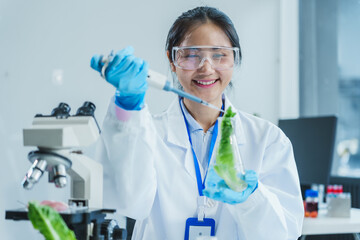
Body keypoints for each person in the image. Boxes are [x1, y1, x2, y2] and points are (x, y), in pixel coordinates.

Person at [91, 6, 304, 240]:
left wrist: (251, 198)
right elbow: (128, 203)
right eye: (191, 55)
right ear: (172, 61)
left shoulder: (268, 139)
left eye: (219, 54)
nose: (206, 67)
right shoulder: (147, 132)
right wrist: (128, 108)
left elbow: (284, 234)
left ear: (234, 60)